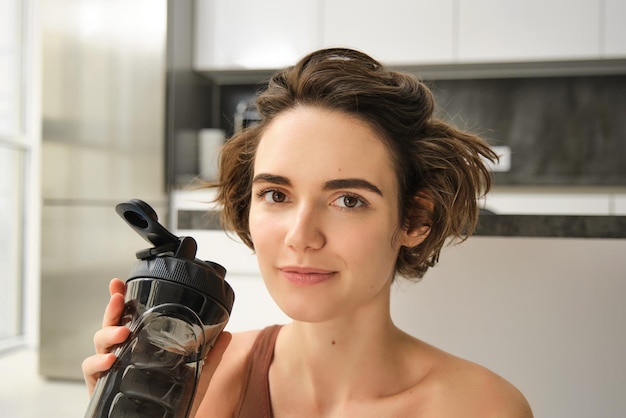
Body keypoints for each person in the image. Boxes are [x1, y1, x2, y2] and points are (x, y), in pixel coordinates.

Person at [83, 47, 533, 417]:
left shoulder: (483, 407)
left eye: (349, 200)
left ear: (415, 220)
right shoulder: (202, 380)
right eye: (276, 195)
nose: (301, 236)